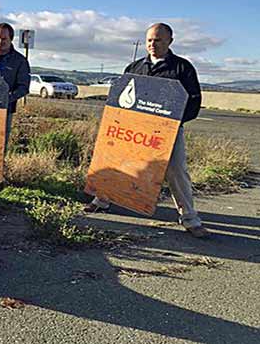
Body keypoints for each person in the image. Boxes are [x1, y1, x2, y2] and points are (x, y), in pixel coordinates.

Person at [85, 23, 208, 238]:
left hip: (167, 133)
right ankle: (102, 199)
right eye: (149, 40)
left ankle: (190, 218)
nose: (153, 44)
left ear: (170, 41)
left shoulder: (182, 68)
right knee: (118, 161)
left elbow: (193, 102)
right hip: (133, 130)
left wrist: (172, 124)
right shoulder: (134, 67)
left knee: (176, 170)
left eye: (158, 40)